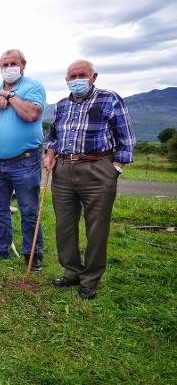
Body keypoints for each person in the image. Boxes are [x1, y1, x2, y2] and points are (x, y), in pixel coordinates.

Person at [44, 59, 135, 300]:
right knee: (64, 225)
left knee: (96, 227)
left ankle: (90, 279)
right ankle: (72, 271)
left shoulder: (109, 99)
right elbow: (53, 136)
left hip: (97, 167)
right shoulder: (62, 105)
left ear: (93, 77)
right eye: (71, 76)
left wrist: (115, 167)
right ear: (66, 80)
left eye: (81, 75)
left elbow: (126, 137)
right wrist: (50, 152)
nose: (76, 80)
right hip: (63, 169)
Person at [0, 49, 46, 271]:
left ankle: (33, 254)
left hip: (24, 161)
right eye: (4, 64)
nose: (8, 67)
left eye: (13, 63)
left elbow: (32, 114)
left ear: (23, 65)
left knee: (29, 209)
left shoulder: (33, 87)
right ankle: (0, 246)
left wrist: (10, 97)